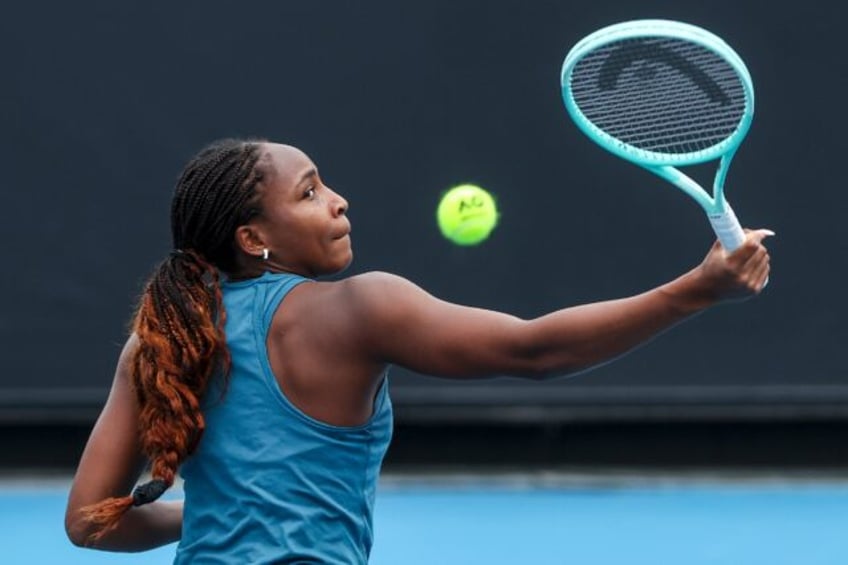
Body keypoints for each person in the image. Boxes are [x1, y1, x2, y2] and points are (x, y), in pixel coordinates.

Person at [64, 138, 772, 563]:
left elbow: (89, 521)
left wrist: (218, 511)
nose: (338, 200)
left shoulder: (154, 342)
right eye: (310, 192)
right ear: (256, 238)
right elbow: (534, 351)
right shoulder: (360, 308)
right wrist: (696, 290)